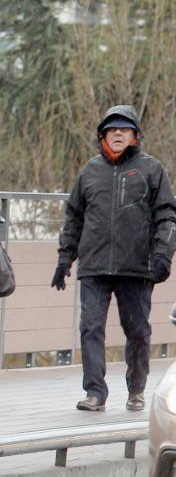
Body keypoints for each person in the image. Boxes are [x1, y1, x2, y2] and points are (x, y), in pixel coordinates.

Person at [52, 105, 176, 412]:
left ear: (135, 136)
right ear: (102, 135)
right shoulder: (89, 172)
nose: (118, 133)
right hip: (94, 266)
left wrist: (164, 253)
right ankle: (95, 392)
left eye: (124, 129)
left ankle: (136, 388)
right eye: (112, 129)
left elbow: (167, 216)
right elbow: (73, 218)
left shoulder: (152, 169)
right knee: (90, 327)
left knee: (137, 331)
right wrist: (64, 258)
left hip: (136, 266)